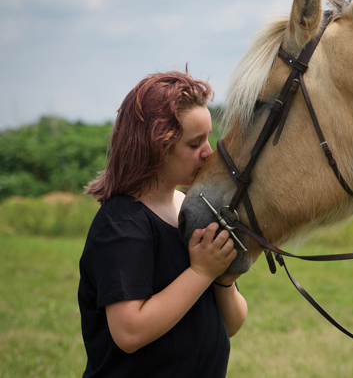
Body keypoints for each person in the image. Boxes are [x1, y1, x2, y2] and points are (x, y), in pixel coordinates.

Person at [78, 71, 247, 377]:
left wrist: (222, 279)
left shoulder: (192, 209)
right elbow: (129, 332)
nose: (209, 153)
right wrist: (202, 271)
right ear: (155, 147)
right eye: (195, 144)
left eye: (208, 138)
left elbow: (233, 324)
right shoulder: (122, 224)